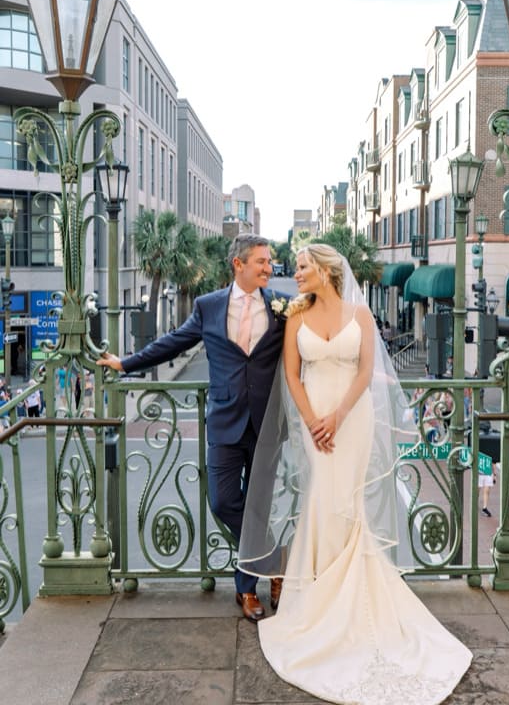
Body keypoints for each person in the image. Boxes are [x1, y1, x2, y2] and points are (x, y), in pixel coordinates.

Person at [236, 243, 470, 704]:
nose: (295, 273)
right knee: (321, 500)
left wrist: (338, 417)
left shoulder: (360, 316)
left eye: (302, 267)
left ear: (325, 270)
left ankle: (351, 601)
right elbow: (292, 375)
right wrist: (312, 421)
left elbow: (365, 373)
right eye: (296, 268)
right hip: (313, 419)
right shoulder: (297, 318)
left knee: (347, 502)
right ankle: (320, 594)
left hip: (350, 419)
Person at [98, 234, 286, 622]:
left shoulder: (282, 307)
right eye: (262, 262)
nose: (270, 267)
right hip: (224, 423)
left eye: (269, 262)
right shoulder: (208, 307)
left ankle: (247, 590)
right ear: (239, 264)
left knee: (260, 507)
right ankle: (275, 561)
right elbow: (173, 342)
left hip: (268, 423)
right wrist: (126, 363)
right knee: (222, 501)